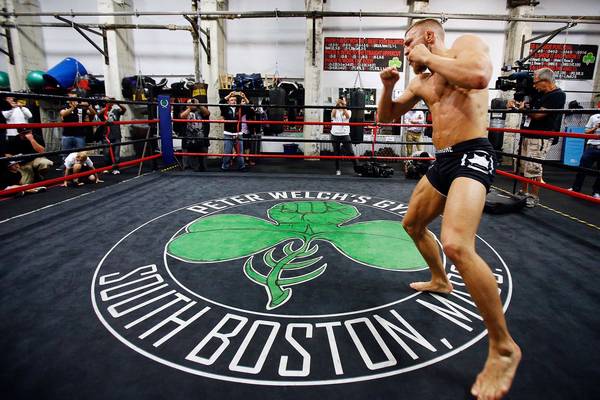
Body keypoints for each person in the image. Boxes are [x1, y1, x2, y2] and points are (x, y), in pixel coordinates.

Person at [377, 19, 520, 400]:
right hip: (442, 161)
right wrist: (388, 87)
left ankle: (504, 346)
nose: (406, 53)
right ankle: (441, 280)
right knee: (412, 225)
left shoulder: (466, 46)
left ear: (427, 36)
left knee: (457, 243)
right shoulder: (421, 80)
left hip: (474, 154)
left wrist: (429, 56)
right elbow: (386, 119)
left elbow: (478, 77)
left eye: (409, 45)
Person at [507, 67, 566, 207]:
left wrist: (524, 110)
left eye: (536, 82)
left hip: (541, 136)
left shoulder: (557, 95)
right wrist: (516, 104)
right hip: (528, 133)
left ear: (545, 81)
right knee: (523, 165)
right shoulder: (540, 93)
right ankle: (523, 192)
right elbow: (529, 106)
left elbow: (539, 115)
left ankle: (533, 196)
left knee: (533, 166)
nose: (534, 85)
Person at [570, 103, 600, 198]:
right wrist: (596, 127)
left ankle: (597, 192)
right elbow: (586, 132)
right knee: (582, 168)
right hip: (591, 147)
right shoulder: (594, 117)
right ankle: (575, 188)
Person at [59, 92, 96, 165]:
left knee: (81, 153)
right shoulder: (65, 107)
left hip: (79, 134)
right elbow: (63, 114)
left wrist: (88, 106)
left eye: (75, 98)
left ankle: (81, 167)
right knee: (65, 153)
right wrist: (73, 107)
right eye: (71, 98)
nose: (73, 100)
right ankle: (65, 167)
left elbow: (93, 113)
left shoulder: (81, 108)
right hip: (67, 134)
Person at [97, 97, 126, 174]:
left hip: (116, 135)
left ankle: (115, 168)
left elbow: (124, 110)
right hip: (106, 136)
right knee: (106, 153)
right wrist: (107, 106)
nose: (109, 102)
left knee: (116, 153)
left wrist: (117, 102)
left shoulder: (116, 111)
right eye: (107, 101)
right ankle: (107, 167)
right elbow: (99, 114)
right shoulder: (103, 112)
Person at [180, 98, 211, 171]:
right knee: (187, 165)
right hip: (188, 139)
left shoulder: (201, 111)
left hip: (201, 139)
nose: (192, 104)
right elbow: (182, 116)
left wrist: (198, 104)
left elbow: (207, 113)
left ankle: (203, 169)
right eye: (189, 103)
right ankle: (187, 170)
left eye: (193, 103)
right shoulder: (184, 111)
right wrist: (189, 108)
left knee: (203, 164)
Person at [330, 96, 358, 175]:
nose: (342, 102)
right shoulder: (335, 110)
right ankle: (337, 169)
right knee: (336, 153)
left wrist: (343, 106)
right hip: (335, 134)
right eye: (341, 101)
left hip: (345, 134)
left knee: (351, 152)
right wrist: (337, 104)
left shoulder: (348, 111)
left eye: (343, 101)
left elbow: (347, 116)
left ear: (346, 102)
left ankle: (357, 169)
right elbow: (333, 115)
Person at [219, 91, 246, 171]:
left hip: (238, 133)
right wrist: (229, 95)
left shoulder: (240, 108)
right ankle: (225, 166)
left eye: (234, 100)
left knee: (240, 153)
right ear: (228, 101)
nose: (233, 101)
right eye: (231, 100)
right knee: (227, 152)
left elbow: (248, 105)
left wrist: (244, 97)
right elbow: (221, 102)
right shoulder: (225, 108)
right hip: (228, 133)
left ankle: (242, 166)